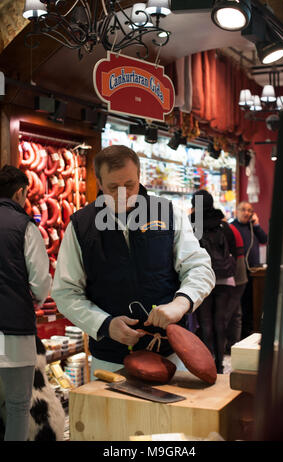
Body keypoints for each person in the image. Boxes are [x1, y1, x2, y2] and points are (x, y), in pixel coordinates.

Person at [52, 145, 215, 376]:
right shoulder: (81, 225)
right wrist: (105, 324)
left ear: (139, 177)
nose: (122, 194)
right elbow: (66, 292)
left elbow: (199, 267)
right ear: (98, 183)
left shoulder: (168, 213)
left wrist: (180, 303)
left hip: (172, 352)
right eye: (113, 187)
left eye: (129, 185)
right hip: (110, 361)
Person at [0, 165, 51, 441]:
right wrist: (35, 298)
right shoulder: (25, 227)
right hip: (13, 331)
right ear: (20, 193)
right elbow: (41, 281)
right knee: (18, 406)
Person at [189, 189, 237, 373]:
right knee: (220, 322)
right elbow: (233, 248)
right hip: (224, 279)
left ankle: (208, 363)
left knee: (205, 322)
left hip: (202, 279)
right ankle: (219, 365)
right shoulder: (223, 225)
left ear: (195, 204)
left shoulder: (191, 226)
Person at [231, 201, 268, 338]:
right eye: (243, 210)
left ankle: (252, 331)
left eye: (250, 210)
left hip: (255, 272)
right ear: (237, 211)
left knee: (254, 304)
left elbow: (264, 239)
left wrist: (256, 225)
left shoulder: (252, 228)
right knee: (241, 305)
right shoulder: (232, 227)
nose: (247, 213)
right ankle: (240, 335)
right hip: (239, 272)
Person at [225, 223, 248, 353]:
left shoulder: (223, 228)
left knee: (228, 313)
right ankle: (233, 346)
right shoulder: (231, 227)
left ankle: (229, 347)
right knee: (235, 313)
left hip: (233, 274)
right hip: (238, 273)